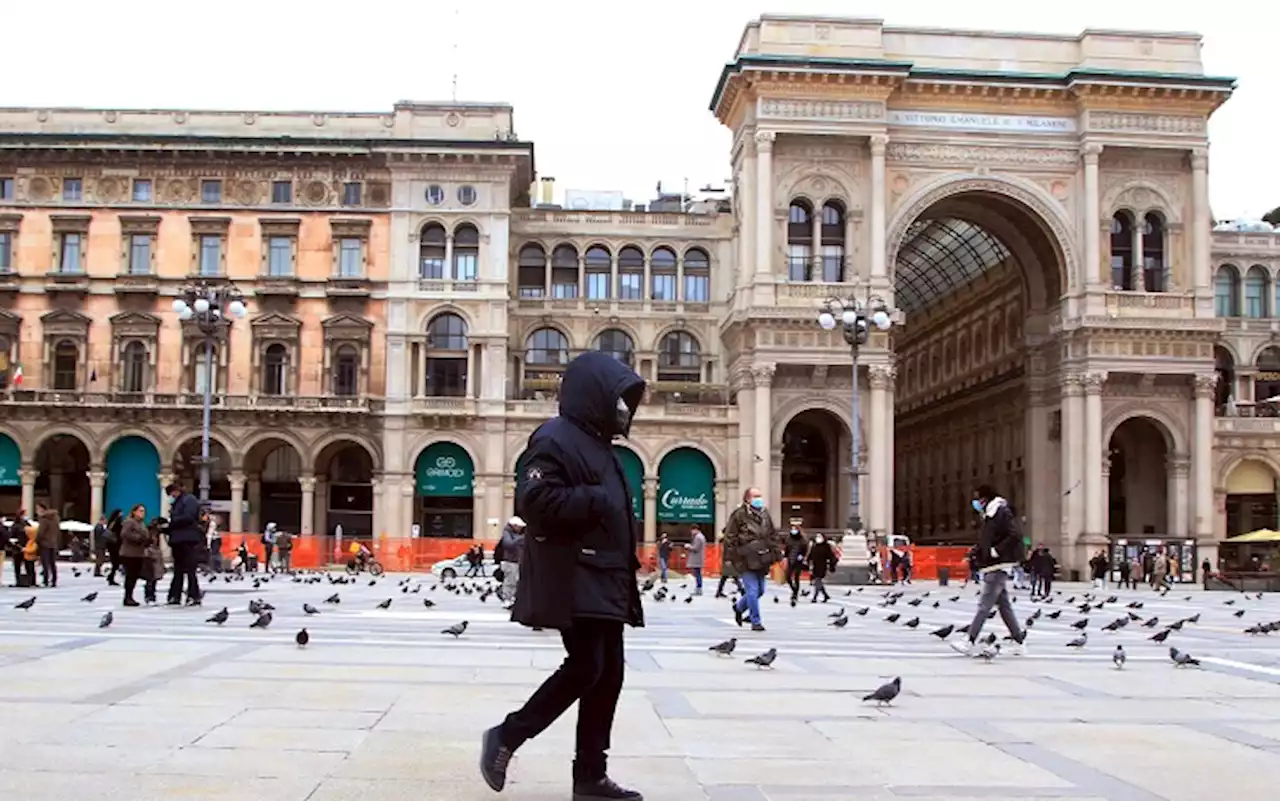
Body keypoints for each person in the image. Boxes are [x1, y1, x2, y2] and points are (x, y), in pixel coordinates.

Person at [480, 350, 646, 801]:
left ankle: (590, 776)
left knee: (608, 675)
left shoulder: (602, 448)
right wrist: (594, 499)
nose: (624, 410)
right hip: (577, 573)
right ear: (594, 395)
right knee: (586, 667)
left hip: (607, 576)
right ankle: (507, 736)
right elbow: (535, 502)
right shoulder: (554, 438)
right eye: (618, 399)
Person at [951, 485, 1027, 657]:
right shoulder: (991, 514)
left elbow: (1014, 534)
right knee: (1004, 606)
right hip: (994, 563)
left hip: (998, 564)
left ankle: (969, 640)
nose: (976, 502)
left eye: (978, 498)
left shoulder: (1001, 512)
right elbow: (988, 539)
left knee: (984, 605)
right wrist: (976, 551)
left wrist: (996, 551)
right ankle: (1018, 642)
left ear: (986, 499)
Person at [722, 487, 782, 632]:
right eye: (755, 496)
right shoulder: (739, 515)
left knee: (760, 590)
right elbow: (730, 536)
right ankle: (756, 621)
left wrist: (777, 552)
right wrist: (730, 557)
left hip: (762, 557)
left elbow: (772, 534)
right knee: (752, 590)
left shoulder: (765, 514)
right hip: (745, 557)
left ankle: (739, 607)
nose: (758, 499)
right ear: (747, 499)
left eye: (760, 496)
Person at [164, 483, 203, 606]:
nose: (171, 496)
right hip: (178, 539)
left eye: (171, 494)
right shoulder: (179, 502)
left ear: (176, 491)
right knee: (178, 569)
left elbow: (188, 517)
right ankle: (175, 596)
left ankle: (193, 595)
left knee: (190, 569)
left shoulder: (189, 500)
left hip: (187, 539)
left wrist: (171, 523)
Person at [119, 504, 156, 606]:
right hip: (129, 553)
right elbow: (124, 534)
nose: (142, 513)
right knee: (130, 576)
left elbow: (146, 535)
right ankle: (128, 597)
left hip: (139, 553)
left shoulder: (142, 523)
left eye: (143, 511)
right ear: (134, 512)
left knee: (134, 576)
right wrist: (138, 538)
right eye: (140, 511)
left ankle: (130, 596)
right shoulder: (130, 522)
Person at [497, 516, 525, 608]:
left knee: (515, 581)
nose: (521, 528)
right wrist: (520, 539)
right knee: (510, 581)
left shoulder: (514, 534)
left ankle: (512, 598)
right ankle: (507, 599)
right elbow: (509, 544)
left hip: (516, 561)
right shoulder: (507, 533)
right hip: (510, 561)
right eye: (519, 526)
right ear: (514, 525)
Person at [34, 502, 60, 588]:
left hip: (44, 544)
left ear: (42, 509)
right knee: (52, 563)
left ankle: (45, 580)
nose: (37, 511)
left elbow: (40, 533)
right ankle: (54, 580)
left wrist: (37, 541)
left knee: (45, 563)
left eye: (37, 509)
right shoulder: (56, 518)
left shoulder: (44, 519)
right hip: (53, 543)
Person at [806, 532, 836, 603]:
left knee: (817, 581)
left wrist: (832, 566)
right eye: (817, 537)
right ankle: (825, 595)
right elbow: (810, 555)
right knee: (818, 582)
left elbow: (831, 556)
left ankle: (815, 597)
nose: (818, 538)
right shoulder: (815, 546)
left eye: (820, 537)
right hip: (815, 566)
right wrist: (808, 562)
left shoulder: (826, 546)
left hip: (822, 566)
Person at [783, 525, 807, 606]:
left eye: (795, 529)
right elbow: (787, 548)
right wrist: (785, 556)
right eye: (792, 529)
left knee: (796, 577)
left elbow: (805, 548)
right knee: (788, 576)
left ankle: (795, 595)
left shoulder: (802, 539)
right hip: (790, 559)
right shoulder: (789, 539)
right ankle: (794, 590)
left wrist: (802, 555)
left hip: (798, 560)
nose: (793, 530)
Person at [684, 525, 706, 596]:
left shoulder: (698, 537)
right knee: (697, 573)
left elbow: (696, 548)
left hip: (697, 558)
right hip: (699, 558)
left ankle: (699, 589)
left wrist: (688, 546)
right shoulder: (701, 536)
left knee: (697, 574)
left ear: (695, 529)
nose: (691, 532)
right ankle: (698, 588)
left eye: (692, 530)